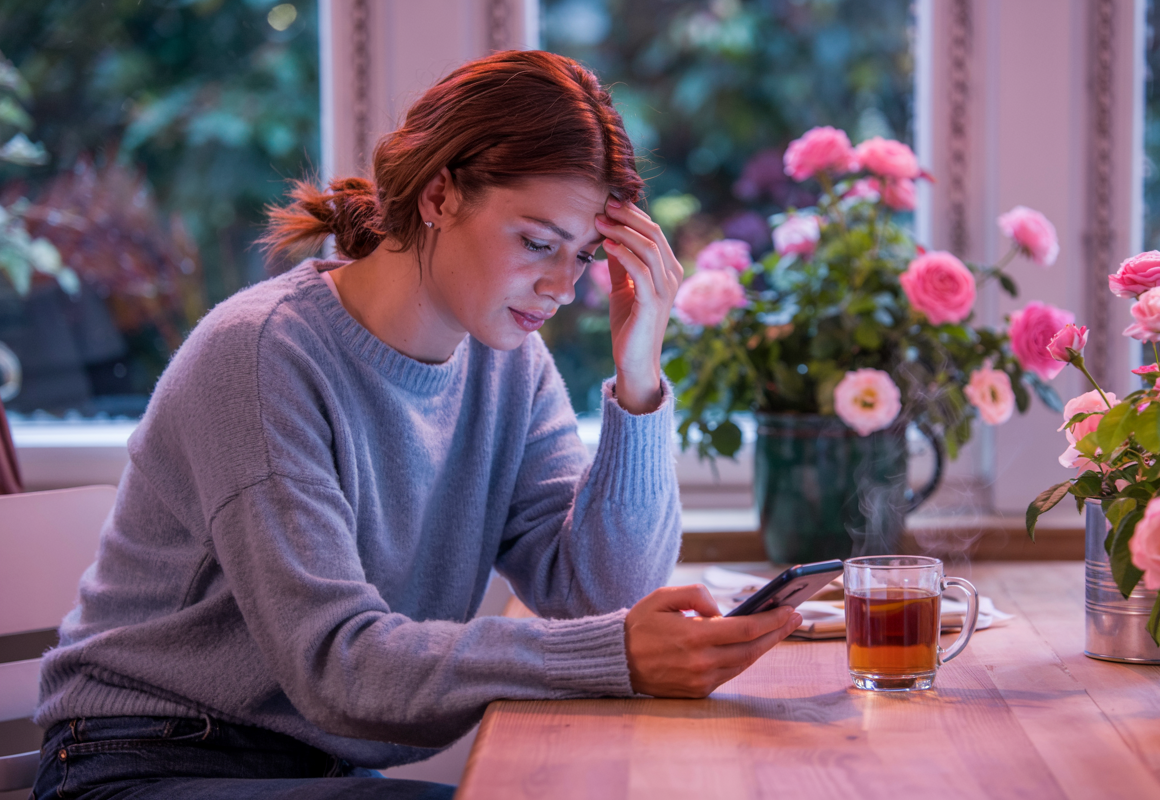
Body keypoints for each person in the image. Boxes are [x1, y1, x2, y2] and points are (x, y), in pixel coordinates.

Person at [30, 50, 802, 800]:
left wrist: (640, 381)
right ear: (438, 197)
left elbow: (601, 592)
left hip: (315, 772)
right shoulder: (263, 358)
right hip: (146, 763)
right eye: (537, 243)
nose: (562, 287)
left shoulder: (506, 361)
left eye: (585, 255)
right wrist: (615, 656)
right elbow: (337, 666)